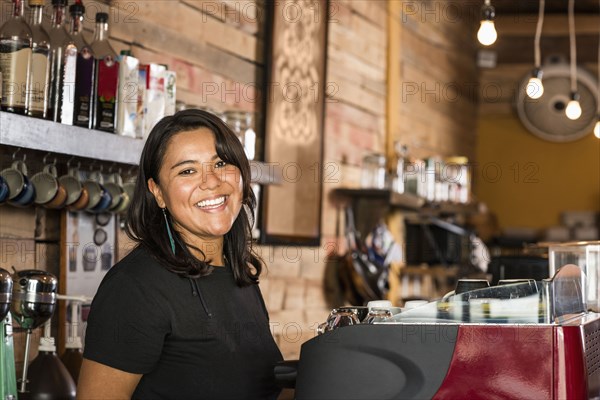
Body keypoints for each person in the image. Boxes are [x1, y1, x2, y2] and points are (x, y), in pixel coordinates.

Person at [77, 109, 283, 399]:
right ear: (157, 191)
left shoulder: (238, 275)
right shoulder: (136, 288)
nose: (211, 181)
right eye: (187, 170)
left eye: (221, 163)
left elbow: (259, 389)